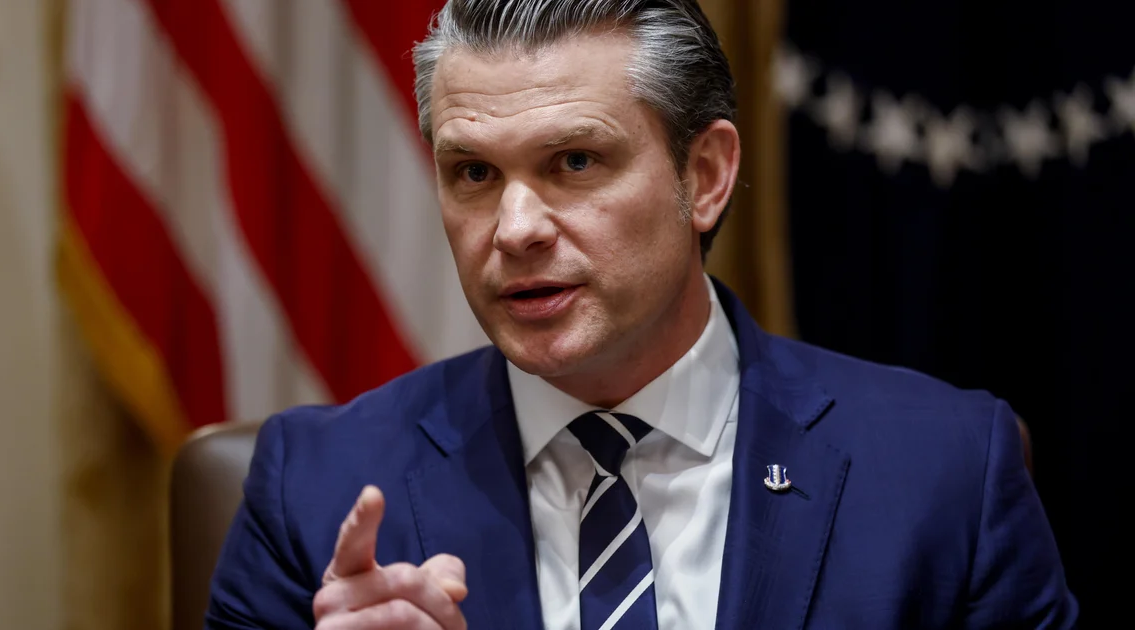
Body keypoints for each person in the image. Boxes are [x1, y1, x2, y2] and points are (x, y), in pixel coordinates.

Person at [205, 1, 1077, 628]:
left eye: (575, 162)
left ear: (706, 177)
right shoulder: (312, 494)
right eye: (473, 173)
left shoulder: (943, 472)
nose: (514, 228)